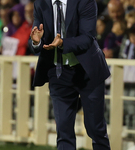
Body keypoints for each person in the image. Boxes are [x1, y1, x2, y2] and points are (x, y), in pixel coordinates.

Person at [29, 0, 111, 149]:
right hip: (58, 72)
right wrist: (36, 42)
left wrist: (62, 43)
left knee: (95, 128)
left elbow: (87, 38)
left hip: (87, 71)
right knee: (63, 130)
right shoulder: (40, 3)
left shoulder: (85, 1)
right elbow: (36, 35)